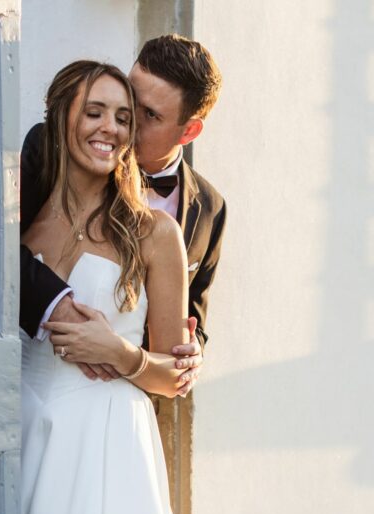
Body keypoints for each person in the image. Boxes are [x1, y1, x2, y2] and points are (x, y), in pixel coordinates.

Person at [20, 60, 188, 514]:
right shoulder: (24, 223)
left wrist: (120, 353)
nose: (109, 128)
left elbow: (175, 377)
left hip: (107, 441)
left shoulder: (154, 233)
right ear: (60, 119)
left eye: (122, 117)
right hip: (26, 426)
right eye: (94, 112)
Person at [20, 35, 226, 394]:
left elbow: (190, 323)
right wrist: (54, 306)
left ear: (189, 130)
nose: (120, 123)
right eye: (131, 95)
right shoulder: (49, 148)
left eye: (149, 115)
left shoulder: (209, 210)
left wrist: (191, 356)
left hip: (118, 408)